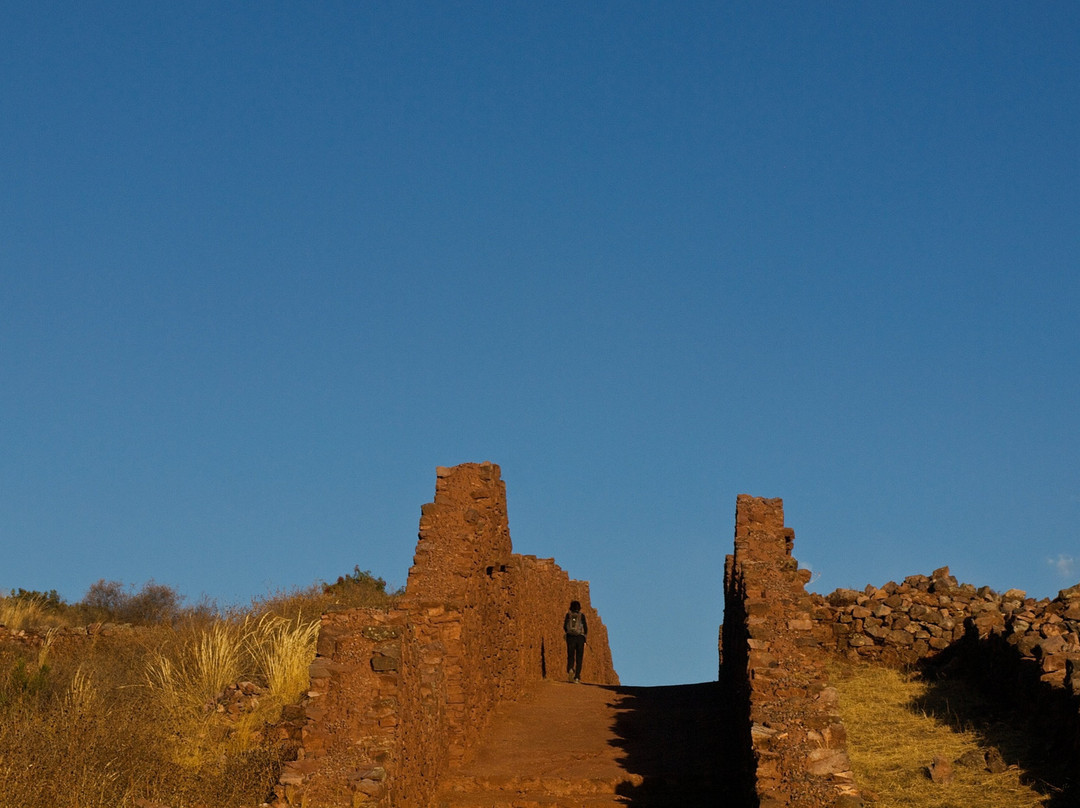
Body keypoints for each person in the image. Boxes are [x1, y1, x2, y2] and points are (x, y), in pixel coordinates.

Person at [563, 599, 587, 683]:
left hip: (570, 637)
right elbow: (586, 628)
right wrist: (584, 638)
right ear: (579, 608)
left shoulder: (568, 615)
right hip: (580, 638)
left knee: (570, 655)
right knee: (579, 658)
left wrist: (568, 633)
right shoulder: (582, 616)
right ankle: (577, 677)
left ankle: (570, 668)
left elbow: (565, 626)